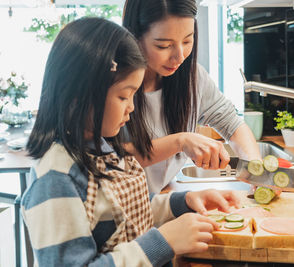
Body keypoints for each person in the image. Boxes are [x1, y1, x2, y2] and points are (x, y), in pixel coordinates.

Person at [22, 17, 240, 266]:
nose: (131, 108)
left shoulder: (102, 147)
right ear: (80, 95)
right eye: (123, 96)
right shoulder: (55, 179)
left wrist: (183, 202)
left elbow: (130, 209)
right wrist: (164, 242)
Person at [122, 0, 261, 193]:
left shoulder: (193, 77)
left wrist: (256, 169)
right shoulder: (112, 83)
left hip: (160, 200)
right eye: (164, 46)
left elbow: (232, 124)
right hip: (119, 208)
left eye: (187, 40)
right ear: (134, 36)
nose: (179, 56)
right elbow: (109, 158)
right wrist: (180, 142)